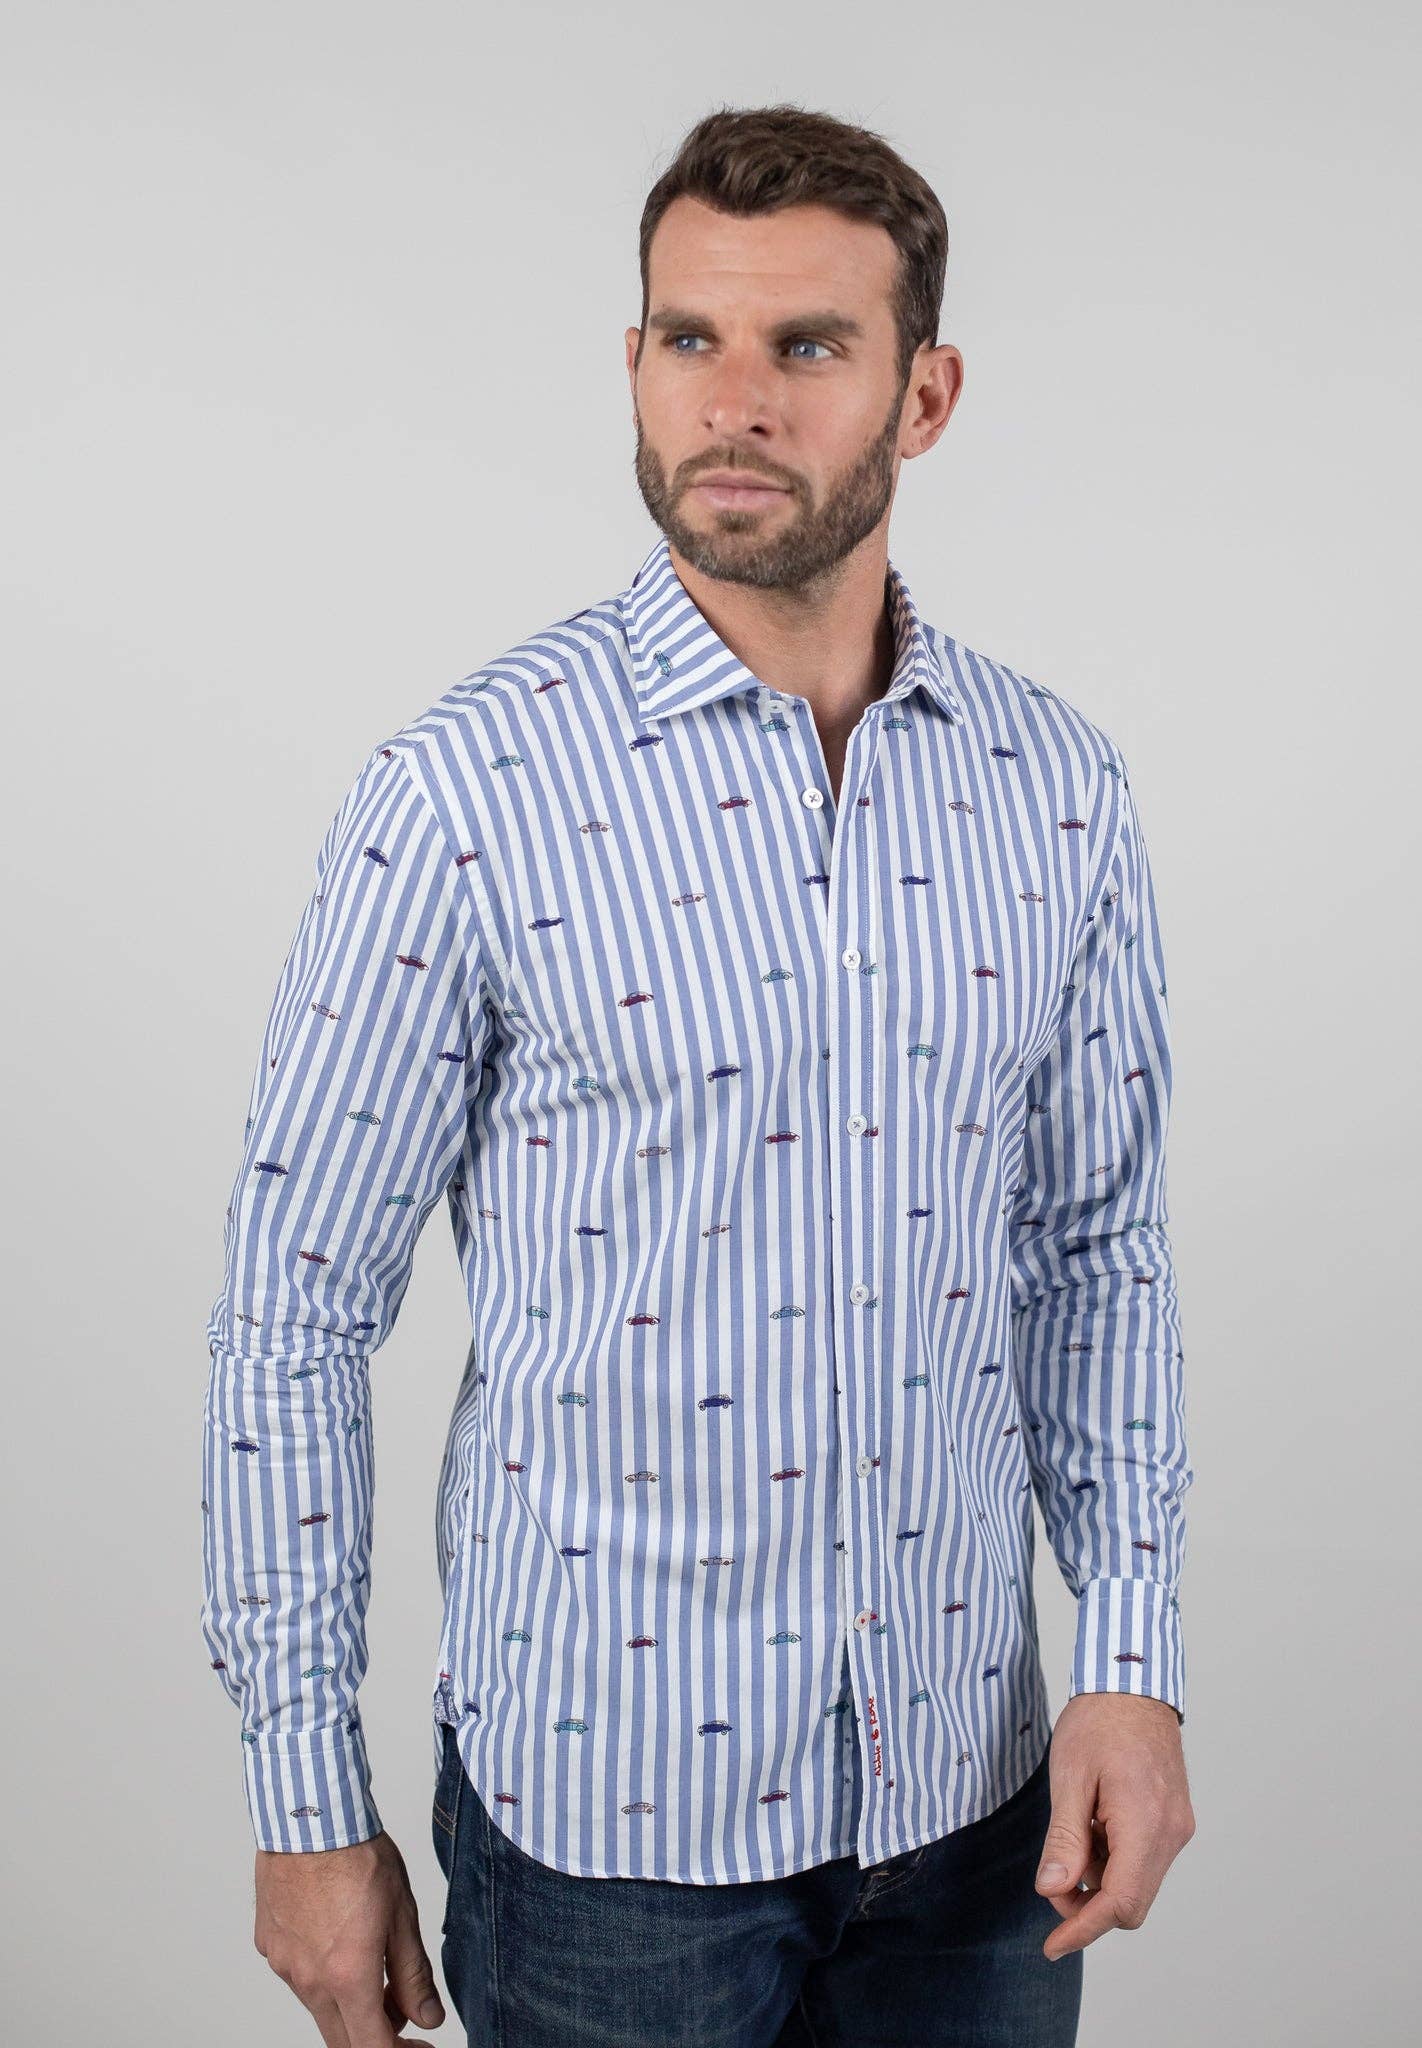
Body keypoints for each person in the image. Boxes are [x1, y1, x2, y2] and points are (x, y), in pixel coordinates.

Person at [200, 101, 1196, 2048]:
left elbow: (1097, 1252)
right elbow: (291, 1312)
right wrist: (304, 1800)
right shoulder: (465, 793)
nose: (733, 401)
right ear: (634, 361)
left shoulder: (1054, 789)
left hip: (973, 1813)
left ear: (924, 395)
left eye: (806, 344)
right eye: (688, 337)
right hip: (606, 1842)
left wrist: (1133, 1655)